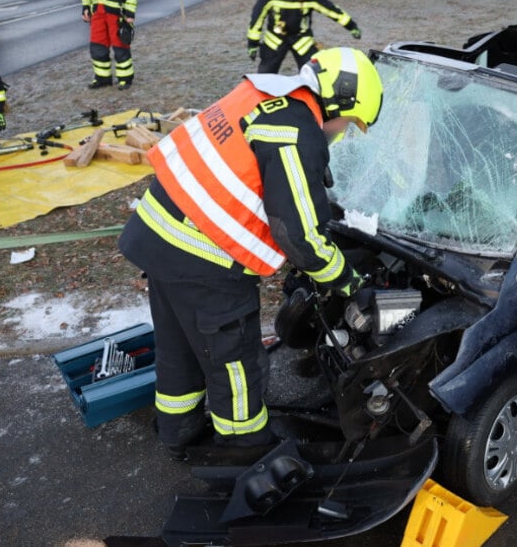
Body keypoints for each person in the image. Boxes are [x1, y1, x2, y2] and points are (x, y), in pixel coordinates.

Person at [118, 47, 383, 458]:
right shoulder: (297, 129)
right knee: (237, 365)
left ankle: (177, 432)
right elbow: (300, 238)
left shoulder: (264, 95)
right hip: (203, 257)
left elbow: (252, 175)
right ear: (340, 99)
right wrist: (349, 282)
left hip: (158, 235)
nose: (342, 132)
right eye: (348, 123)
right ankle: (245, 452)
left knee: (180, 348)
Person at [247, 0, 362, 74]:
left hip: (302, 40)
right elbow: (257, 19)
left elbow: (330, 10)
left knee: (314, 74)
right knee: (265, 76)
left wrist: (351, 25)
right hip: (275, 39)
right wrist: (252, 44)